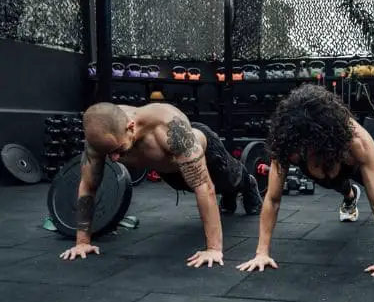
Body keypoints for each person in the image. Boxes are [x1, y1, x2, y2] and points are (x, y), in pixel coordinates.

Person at [58, 102, 263, 267]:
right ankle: (228, 195)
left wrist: (213, 249)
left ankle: (249, 184)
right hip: (171, 171)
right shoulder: (98, 140)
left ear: (131, 127)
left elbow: (203, 186)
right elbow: (88, 186)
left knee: (232, 180)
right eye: (109, 153)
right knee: (196, 186)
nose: (113, 159)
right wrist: (82, 242)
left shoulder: (168, 126)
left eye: (119, 150)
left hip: (206, 152)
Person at [235, 84, 374, 278]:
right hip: (329, 172)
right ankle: (350, 195)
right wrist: (261, 253)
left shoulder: (357, 144)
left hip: (348, 164)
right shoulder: (290, 146)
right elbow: (273, 200)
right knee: (329, 180)